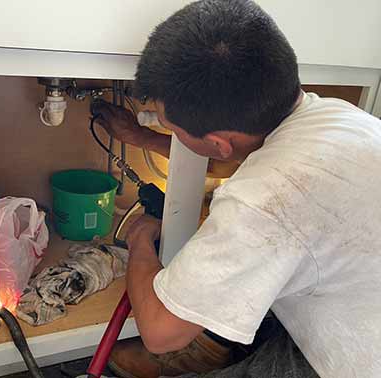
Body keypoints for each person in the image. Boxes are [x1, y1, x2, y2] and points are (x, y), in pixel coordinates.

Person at [92, 1, 381, 377]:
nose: (170, 134)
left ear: (218, 141)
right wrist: (141, 137)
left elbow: (160, 332)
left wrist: (140, 240)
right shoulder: (338, 117)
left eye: (172, 129)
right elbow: (250, 158)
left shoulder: (262, 201)